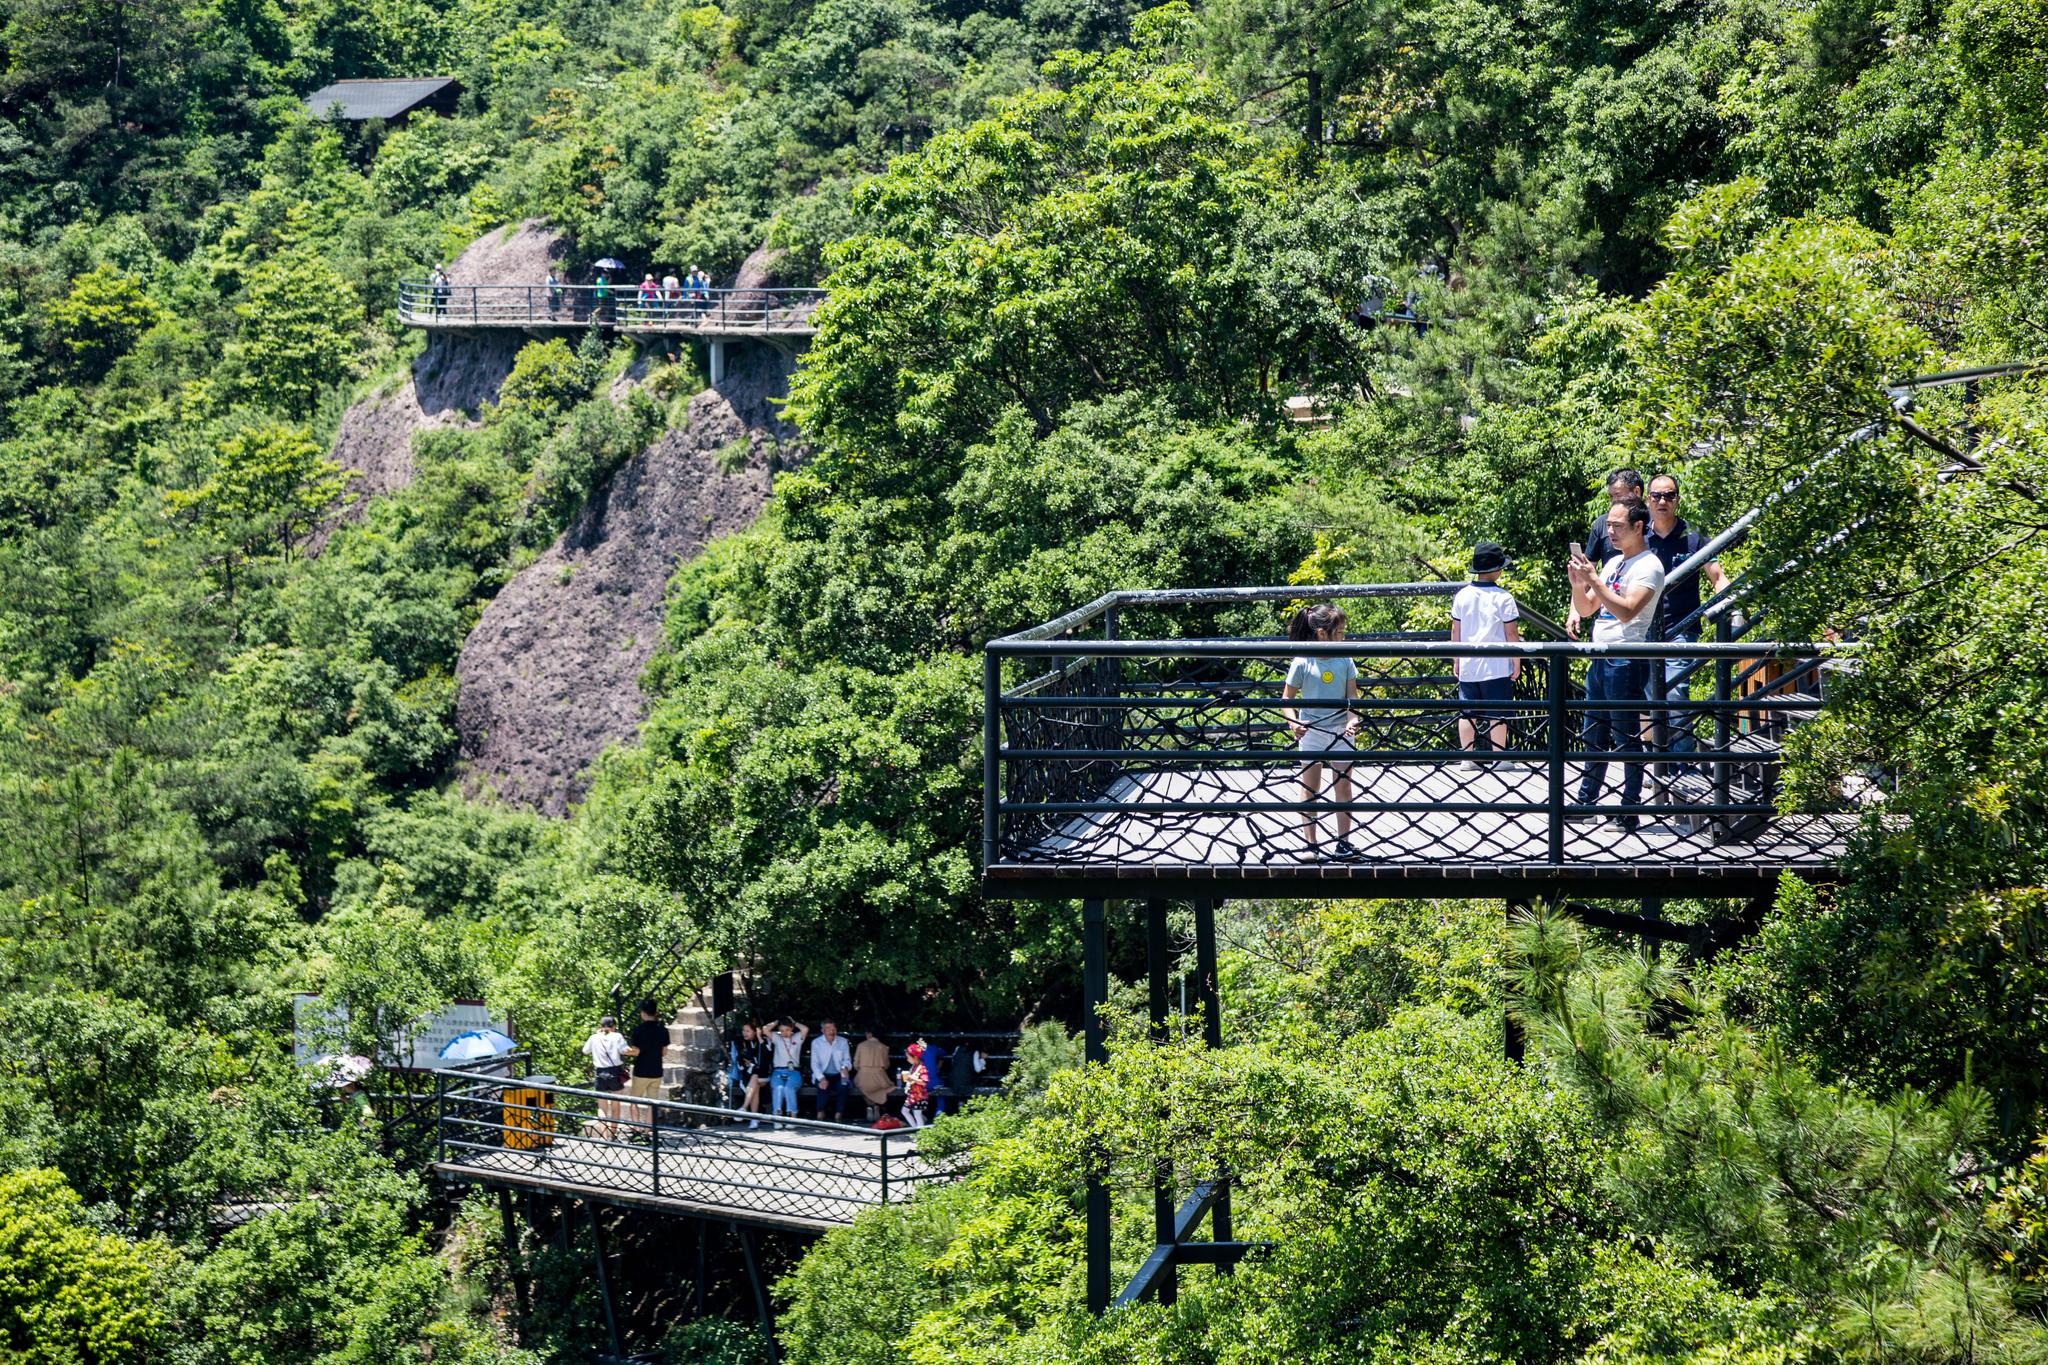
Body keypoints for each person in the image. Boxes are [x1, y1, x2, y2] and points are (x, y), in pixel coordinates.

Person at [1567, 498, 1666, 832]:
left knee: (1626, 735)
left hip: (1626, 656)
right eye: (1608, 524)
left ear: (1639, 526)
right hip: (1600, 653)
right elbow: (1586, 610)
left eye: (1618, 525)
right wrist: (1579, 585)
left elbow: (1627, 611)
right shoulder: (1612, 565)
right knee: (1592, 731)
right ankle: (1586, 801)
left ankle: (1630, 808)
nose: (1610, 531)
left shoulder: (1649, 565)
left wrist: (1593, 581)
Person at [1642, 473, 1728, 763]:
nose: (1662, 501)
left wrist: (1730, 604)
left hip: (1681, 627)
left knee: (1677, 693)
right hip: (1642, 628)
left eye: (1669, 495)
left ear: (1677, 499)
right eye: (1656, 495)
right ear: (1647, 499)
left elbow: (1717, 577)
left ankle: (1680, 763)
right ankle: (1656, 761)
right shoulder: (1639, 536)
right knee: (1649, 697)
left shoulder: (1694, 535)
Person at [1282, 603, 1362, 856]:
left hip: (1340, 730)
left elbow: (1353, 698)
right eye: (1338, 634)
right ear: (1321, 634)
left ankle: (1343, 843)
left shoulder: (1345, 659)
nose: (1343, 638)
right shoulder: (1303, 661)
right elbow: (1287, 700)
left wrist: (1352, 720)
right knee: (1309, 788)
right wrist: (1294, 723)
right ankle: (1311, 844)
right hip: (1312, 732)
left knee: (1344, 785)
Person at [1448, 542, 1522, 770]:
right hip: (1497, 665)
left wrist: (1456, 659)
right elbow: (1511, 632)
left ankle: (1467, 758)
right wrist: (1516, 662)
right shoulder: (1504, 597)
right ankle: (1499, 757)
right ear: (1496, 570)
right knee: (1497, 713)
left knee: (1467, 712)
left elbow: (1455, 631)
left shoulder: (1462, 595)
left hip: (1469, 663)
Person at [1566, 469, 1646, 639]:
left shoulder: (1648, 524)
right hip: (1606, 614)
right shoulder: (1602, 526)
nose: (1611, 531)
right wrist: (1574, 609)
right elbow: (1586, 572)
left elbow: (1628, 610)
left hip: (1639, 617)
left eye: (1617, 495)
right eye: (1611, 496)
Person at [579, 1015, 629, 1138]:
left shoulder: (594, 1037)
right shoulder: (617, 1036)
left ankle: (604, 1136)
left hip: (600, 1073)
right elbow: (624, 1050)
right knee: (615, 1106)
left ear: (600, 1026)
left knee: (602, 1107)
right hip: (614, 1073)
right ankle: (612, 1135)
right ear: (614, 1026)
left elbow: (585, 1051)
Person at [623, 999, 668, 1128]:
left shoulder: (638, 1030)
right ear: (656, 1012)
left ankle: (637, 1129)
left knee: (633, 1101)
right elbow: (664, 1052)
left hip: (641, 1071)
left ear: (643, 1013)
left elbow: (636, 1051)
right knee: (652, 1103)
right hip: (656, 1071)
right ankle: (648, 1132)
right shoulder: (663, 1030)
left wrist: (624, 1052)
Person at [767, 1017, 808, 1125]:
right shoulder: (777, 1038)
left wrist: (794, 1022)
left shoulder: (797, 1037)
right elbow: (765, 1029)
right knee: (778, 1088)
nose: (785, 1033)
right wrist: (776, 1022)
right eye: (782, 1030)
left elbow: (805, 1029)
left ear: (792, 1029)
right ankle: (777, 1117)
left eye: (787, 1030)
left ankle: (792, 1117)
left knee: (788, 1088)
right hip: (778, 1071)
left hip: (794, 1071)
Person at [810, 1019, 852, 1123]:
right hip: (823, 1074)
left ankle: (839, 1113)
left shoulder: (842, 1041)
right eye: (828, 1029)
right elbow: (814, 1064)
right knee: (823, 1086)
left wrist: (845, 1067)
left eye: (833, 1028)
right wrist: (821, 1078)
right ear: (823, 1030)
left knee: (843, 1086)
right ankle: (820, 1111)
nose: (831, 1031)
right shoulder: (816, 1043)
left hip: (839, 1074)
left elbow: (847, 1060)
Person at [733, 1021, 770, 1127]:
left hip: (763, 1075)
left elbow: (767, 1056)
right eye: (743, 1031)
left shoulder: (762, 1041)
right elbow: (741, 1060)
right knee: (755, 1084)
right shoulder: (741, 1043)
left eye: (748, 1031)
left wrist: (759, 1037)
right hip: (748, 1077)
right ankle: (754, 1118)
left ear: (755, 1031)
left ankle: (744, 1107)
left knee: (755, 1078)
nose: (745, 1033)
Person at [854, 1028, 893, 1120]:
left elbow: (856, 1064)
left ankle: (870, 1106)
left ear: (869, 1034)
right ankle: (875, 1106)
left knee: (861, 1086)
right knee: (882, 1088)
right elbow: (886, 1065)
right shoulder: (884, 1047)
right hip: (880, 1076)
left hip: (863, 1075)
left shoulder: (861, 1045)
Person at [901, 1042, 930, 1128]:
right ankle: (914, 1129)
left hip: (919, 1096)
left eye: (908, 1057)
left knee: (917, 1114)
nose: (907, 1059)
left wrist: (912, 1078)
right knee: (905, 1111)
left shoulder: (922, 1068)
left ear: (915, 1057)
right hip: (912, 1095)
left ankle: (920, 1133)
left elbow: (924, 1082)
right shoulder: (914, 1067)